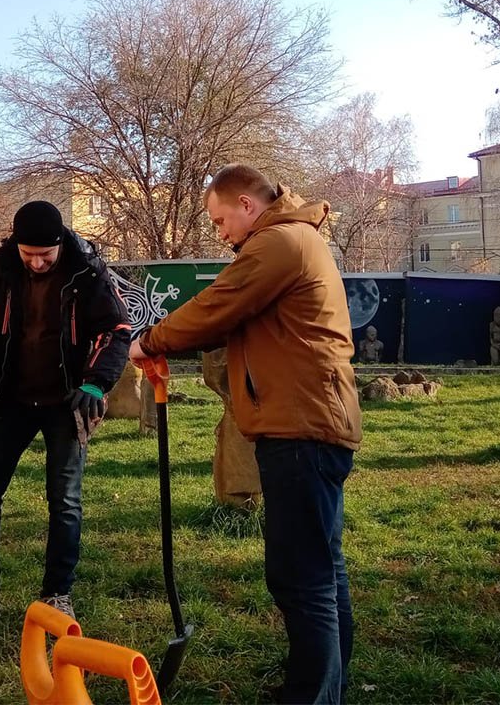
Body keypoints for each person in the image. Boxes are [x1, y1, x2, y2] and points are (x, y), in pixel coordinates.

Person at [129, 163, 361, 705]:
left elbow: (218, 305)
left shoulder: (278, 243)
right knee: (323, 569)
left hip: (301, 428)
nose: (220, 232)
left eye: (219, 219)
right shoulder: (293, 239)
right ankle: (328, 686)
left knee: (301, 578)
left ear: (247, 205)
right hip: (308, 422)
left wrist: (150, 342)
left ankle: (311, 697)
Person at [0, 200, 131, 623]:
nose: (38, 262)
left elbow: (116, 329)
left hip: (69, 401)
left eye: (45, 255)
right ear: (17, 245)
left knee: (64, 500)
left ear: (60, 244)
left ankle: (56, 595)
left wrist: (95, 381)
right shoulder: (0, 267)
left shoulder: (87, 270)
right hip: (9, 398)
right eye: (29, 255)